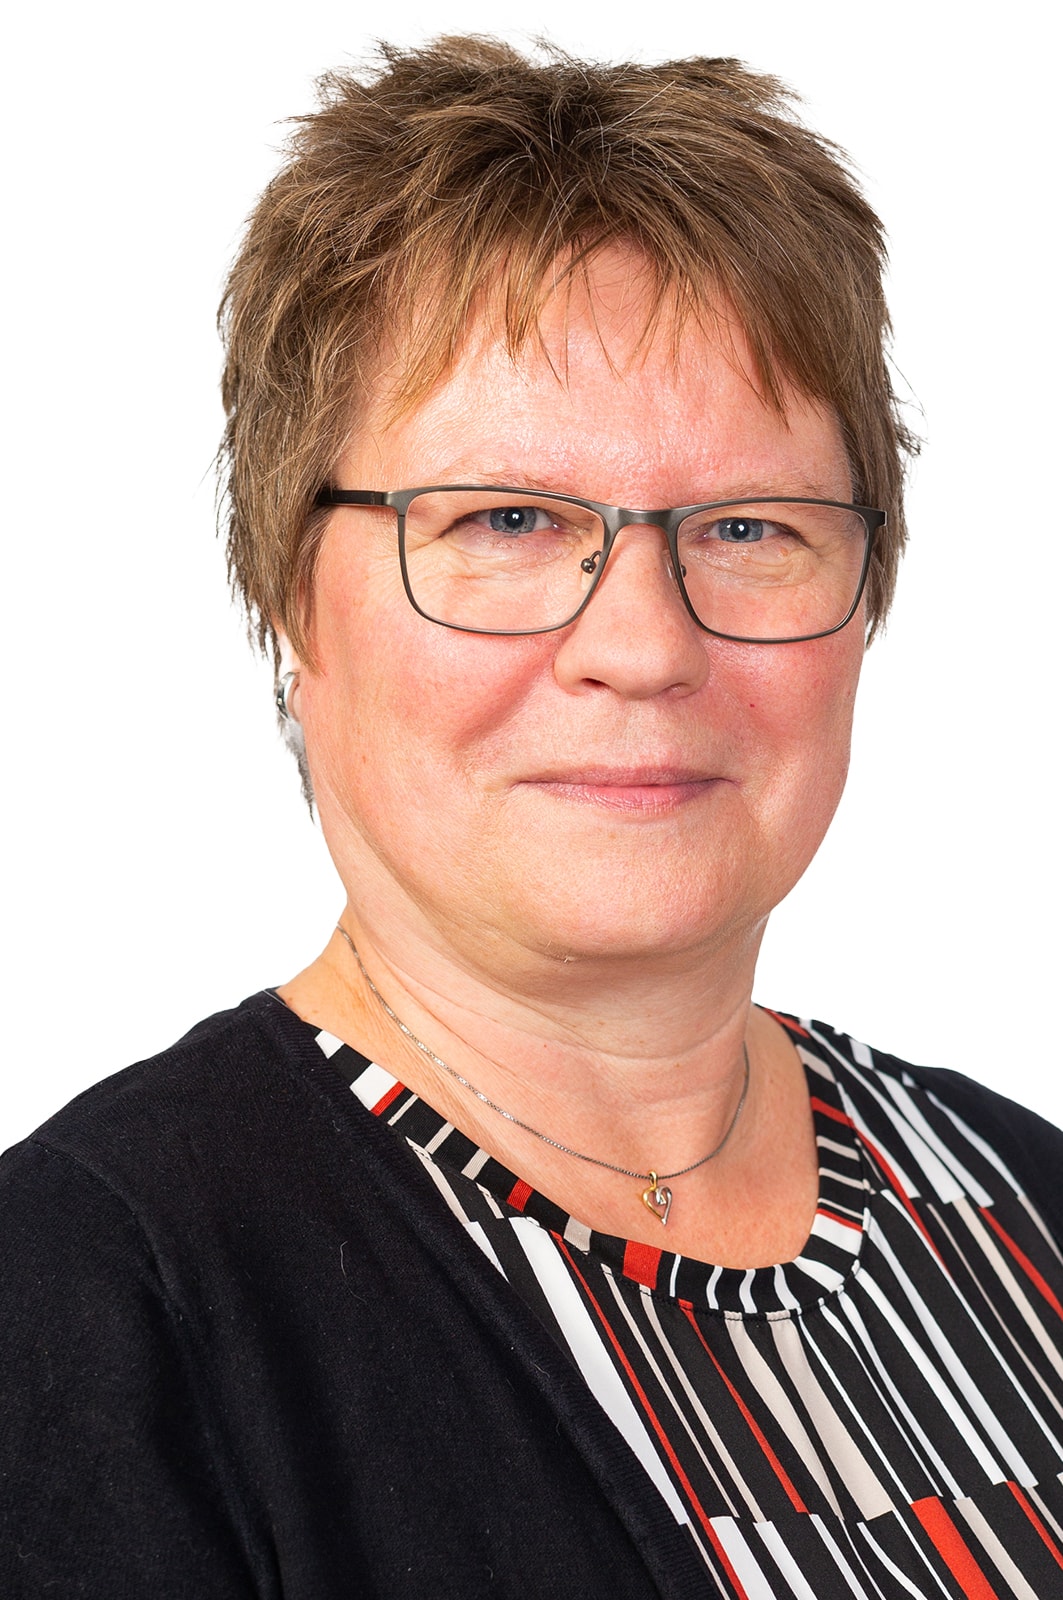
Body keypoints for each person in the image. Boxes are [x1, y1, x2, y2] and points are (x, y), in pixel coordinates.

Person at [3, 34, 1063, 1599]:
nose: (643, 645)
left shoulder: (1026, 1204)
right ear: (289, 592)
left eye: (749, 527)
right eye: (506, 518)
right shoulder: (89, 1304)